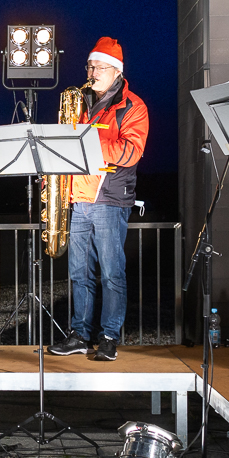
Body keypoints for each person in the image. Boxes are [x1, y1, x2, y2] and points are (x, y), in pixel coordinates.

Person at [48, 37, 149, 362]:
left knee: (111, 273)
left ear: (116, 71)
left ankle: (108, 337)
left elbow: (132, 152)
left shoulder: (133, 106)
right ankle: (79, 334)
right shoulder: (80, 103)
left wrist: (86, 139)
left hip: (109, 201)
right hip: (77, 198)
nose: (91, 71)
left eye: (98, 66)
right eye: (90, 65)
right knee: (78, 273)